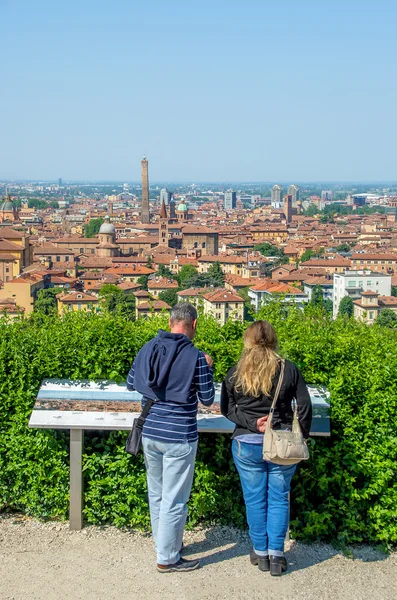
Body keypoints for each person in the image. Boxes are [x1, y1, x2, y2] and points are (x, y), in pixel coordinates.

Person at [127, 303, 215, 573]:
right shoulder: (197, 357)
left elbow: (132, 383)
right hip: (179, 435)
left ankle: (165, 544)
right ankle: (167, 558)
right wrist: (208, 368)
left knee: (157, 493)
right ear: (194, 324)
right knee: (175, 498)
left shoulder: (149, 347)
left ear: (170, 321)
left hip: (150, 432)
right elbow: (208, 399)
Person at [220, 320, 312, 576]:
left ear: (247, 341)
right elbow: (304, 406)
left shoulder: (236, 371)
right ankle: (276, 556)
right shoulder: (288, 369)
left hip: (246, 444)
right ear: (274, 340)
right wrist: (302, 435)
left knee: (254, 500)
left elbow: (226, 409)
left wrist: (252, 423)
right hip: (281, 444)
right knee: (279, 498)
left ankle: (260, 552)